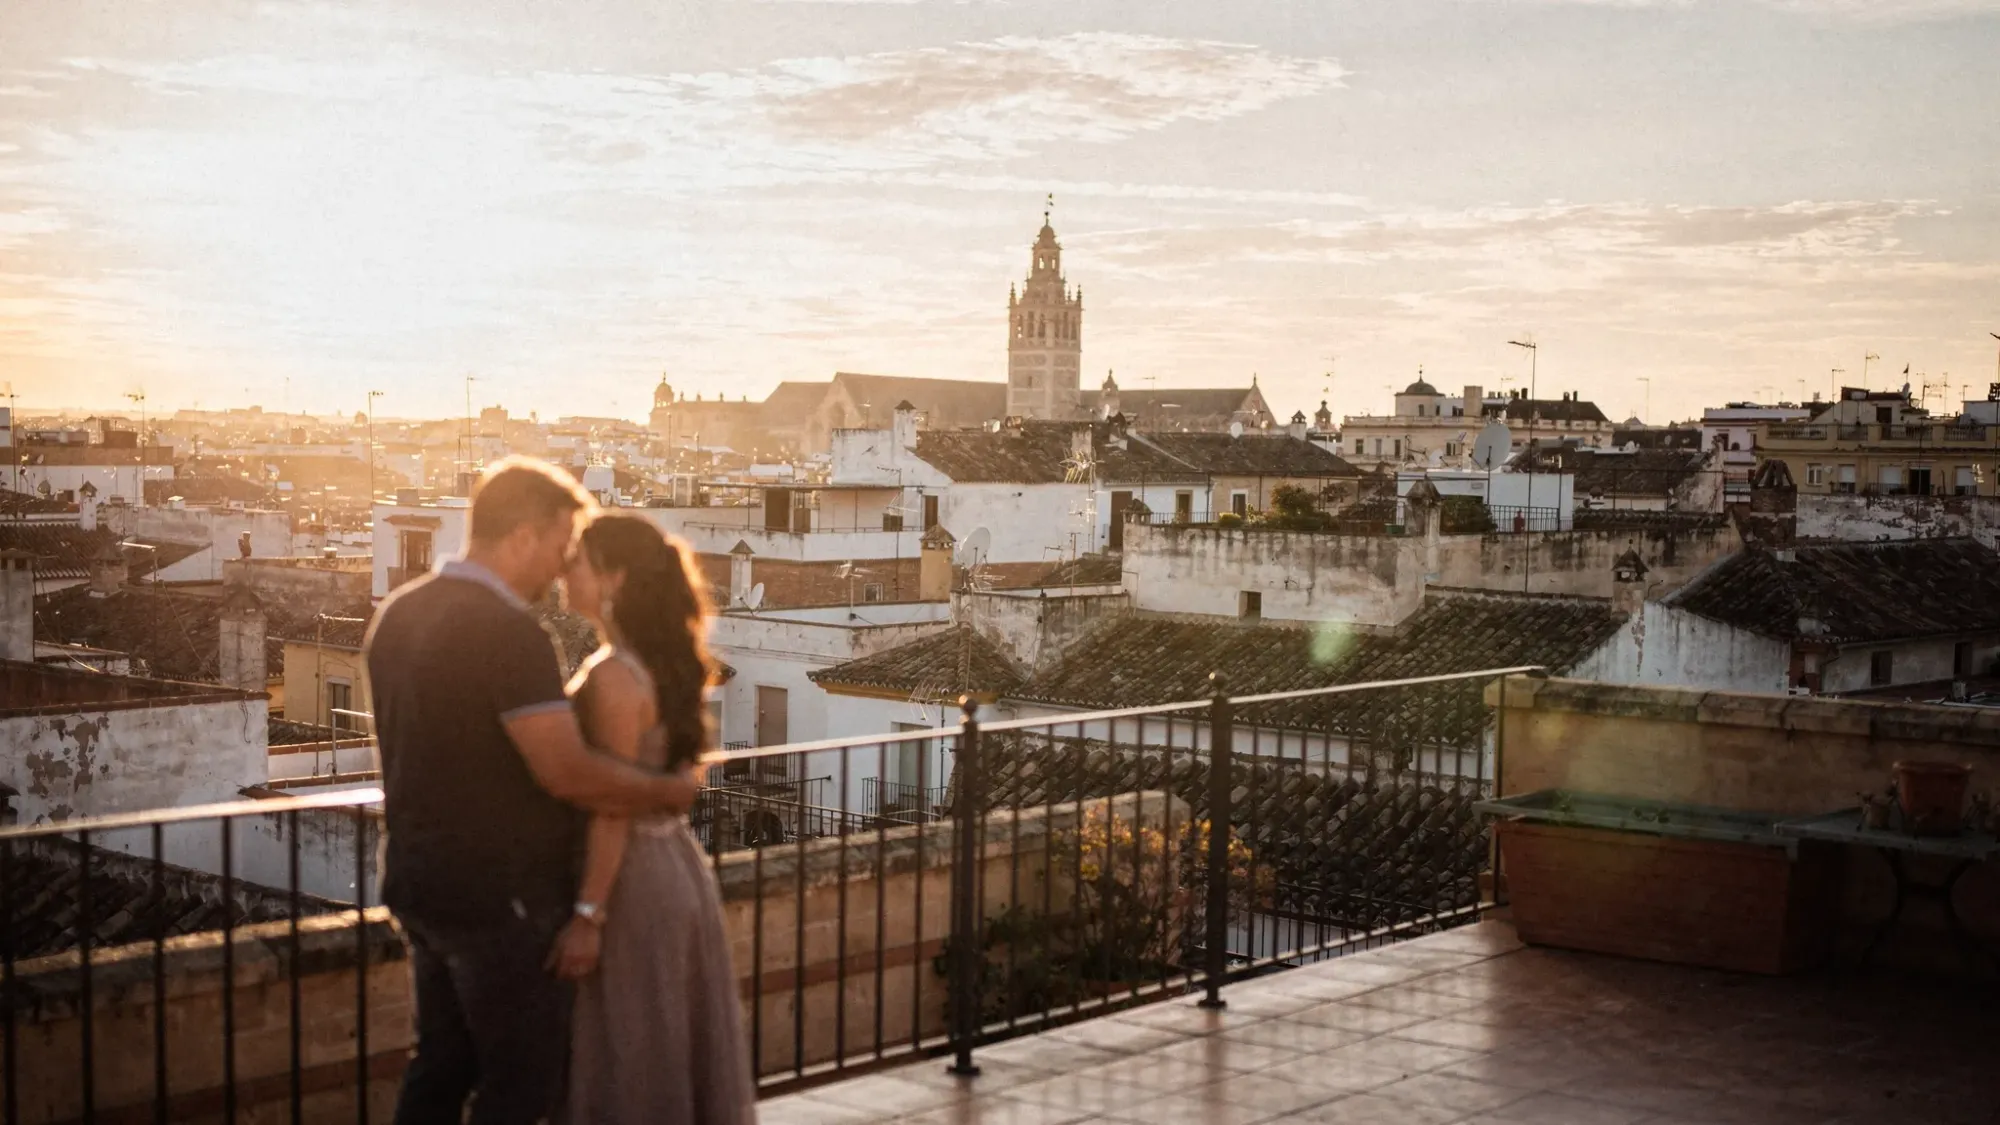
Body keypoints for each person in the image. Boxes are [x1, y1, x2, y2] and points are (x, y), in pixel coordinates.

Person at [364, 458, 702, 1125]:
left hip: (416, 879)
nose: (558, 566)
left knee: (439, 1067)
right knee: (522, 1084)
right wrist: (666, 789)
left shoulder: (398, 614)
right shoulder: (507, 631)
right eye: (558, 544)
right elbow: (566, 770)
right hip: (502, 897)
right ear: (523, 532)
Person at [549, 513, 758, 1124]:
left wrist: (589, 913)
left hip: (629, 879)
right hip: (672, 867)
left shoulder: (614, 676)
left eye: (578, 562)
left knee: (630, 1053)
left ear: (612, 577)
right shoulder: (658, 664)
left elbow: (614, 802)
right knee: (659, 1045)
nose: (565, 571)